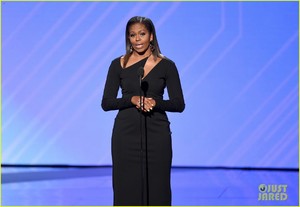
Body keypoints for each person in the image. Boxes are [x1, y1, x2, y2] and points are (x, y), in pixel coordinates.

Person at [101, 16, 185, 206]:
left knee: (158, 187)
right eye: (132, 35)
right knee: (126, 187)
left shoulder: (167, 66)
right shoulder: (118, 65)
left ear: (151, 36)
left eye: (142, 34)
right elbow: (106, 103)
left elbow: (179, 104)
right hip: (126, 134)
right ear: (128, 38)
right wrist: (131, 99)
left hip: (157, 134)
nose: (137, 39)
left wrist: (155, 103)